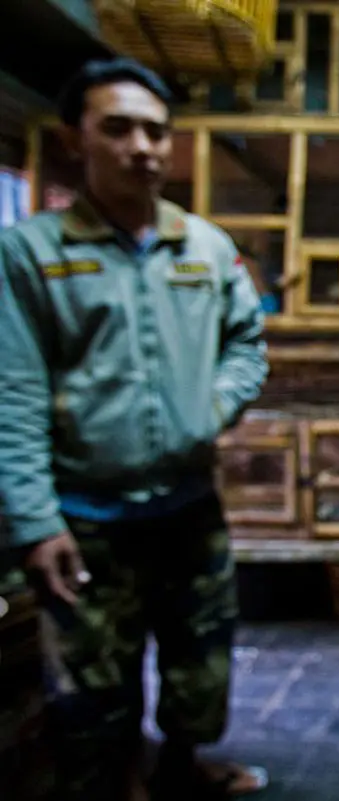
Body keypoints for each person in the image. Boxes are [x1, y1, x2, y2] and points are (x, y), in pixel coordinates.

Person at [0, 58, 270, 800]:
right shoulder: (32, 254)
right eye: (117, 128)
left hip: (188, 507)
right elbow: (13, 392)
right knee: (94, 683)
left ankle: (182, 767)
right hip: (84, 516)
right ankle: (118, 780)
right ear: (75, 139)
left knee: (200, 659)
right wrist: (35, 521)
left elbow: (247, 346)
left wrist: (211, 408)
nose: (142, 147)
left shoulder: (205, 247)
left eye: (155, 130)